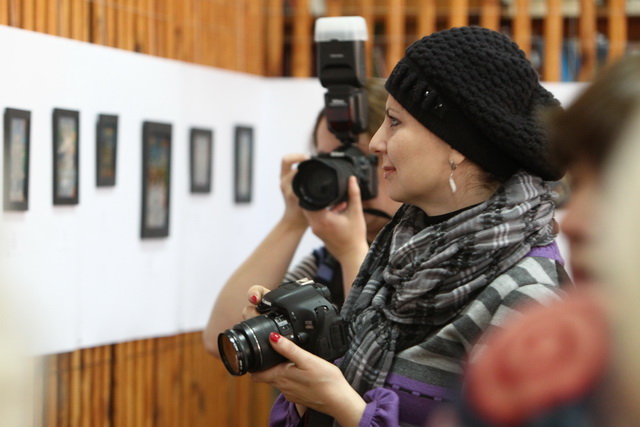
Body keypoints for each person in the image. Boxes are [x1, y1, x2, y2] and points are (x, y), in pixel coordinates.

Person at [249, 26, 569, 426]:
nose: (375, 142)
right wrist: (305, 381)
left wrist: (344, 407)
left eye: (394, 122)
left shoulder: (527, 295)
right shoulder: (399, 253)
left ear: (457, 144)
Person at [445, 54, 640, 426]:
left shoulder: (528, 299)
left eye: (618, 188)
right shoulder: (536, 356)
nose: (575, 223)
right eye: (578, 185)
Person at [203, 78, 402, 356]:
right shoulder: (327, 265)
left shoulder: (423, 256)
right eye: (328, 160)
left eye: (355, 160)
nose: (338, 175)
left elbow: (378, 361)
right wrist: (292, 222)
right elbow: (221, 337)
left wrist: (351, 252)